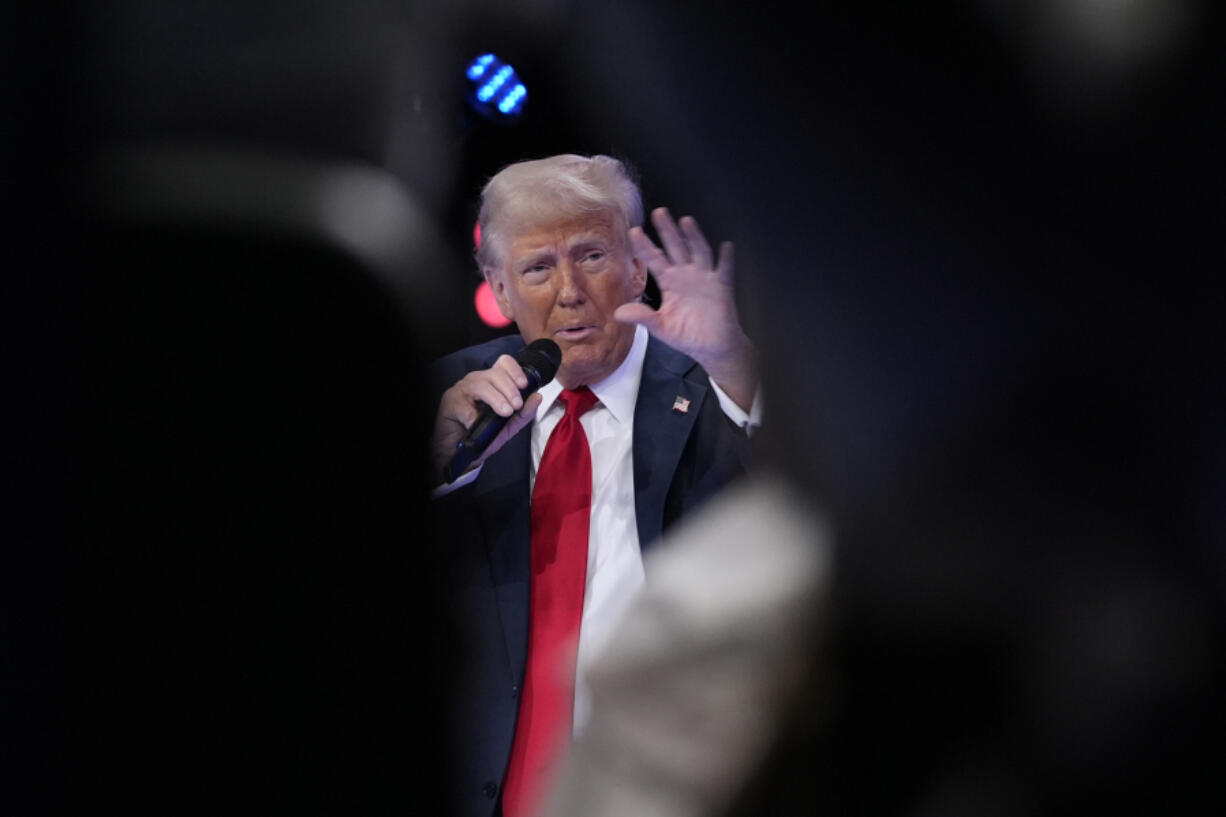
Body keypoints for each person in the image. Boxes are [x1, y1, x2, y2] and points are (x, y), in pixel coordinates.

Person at [430, 154, 762, 817]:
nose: (569, 290)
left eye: (591, 256)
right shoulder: (446, 402)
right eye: (536, 267)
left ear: (637, 267)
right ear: (497, 287)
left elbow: (797, 510)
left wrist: (734, 368)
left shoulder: (711, 382)